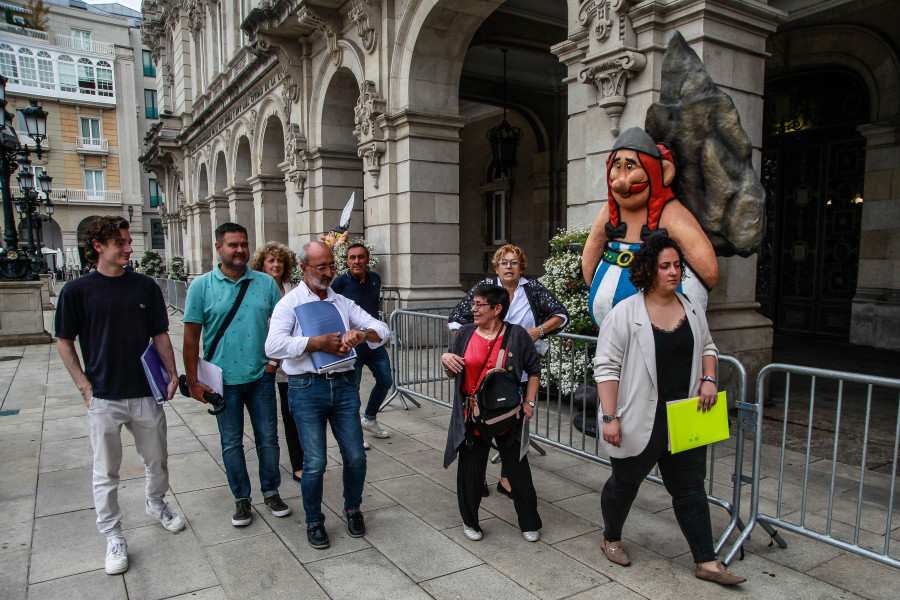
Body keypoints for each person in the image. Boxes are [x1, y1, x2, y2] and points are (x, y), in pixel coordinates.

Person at [592, 235, 745, 585]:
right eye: (665, 266)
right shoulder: (625, 313)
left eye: (678, 265)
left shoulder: (691, 306)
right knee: (625, 483)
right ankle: (611, 538)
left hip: (686, 415)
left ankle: (706, 561)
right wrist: (610, 417)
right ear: (649, 269)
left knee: (690, 487)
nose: (674, 272)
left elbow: (708, 345)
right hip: (638, 416)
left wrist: (709, 378)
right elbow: (606, 368)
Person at [56, 216, 184, 576]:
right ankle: (113, 535)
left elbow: (160, 334)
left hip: (144, 391)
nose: (130, 248)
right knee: (105, 472)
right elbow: (64, 342)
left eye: (129, 242)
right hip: (104, 396)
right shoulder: (76, 291)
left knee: (157, 459)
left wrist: (172, 374)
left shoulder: (144, 287)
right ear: (99, 246)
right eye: (121, 243)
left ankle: (156, 503)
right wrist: (84, 385)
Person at [265, 241, 390, 550]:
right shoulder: (289, 304)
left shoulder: (342, 301)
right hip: (307, 388)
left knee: (356, 456)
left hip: (345, 386)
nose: (329, 272)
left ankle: (353, 509)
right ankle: (314, 521)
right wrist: (314, 343)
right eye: (321, 267)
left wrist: (362, 334)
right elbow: (273, 346)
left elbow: (381, 329)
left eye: (331, 266)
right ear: (304, 269)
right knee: (315, 462)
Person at [183, 223, 291, 528]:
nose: (240, 250)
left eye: (244, 244)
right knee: (231, 443)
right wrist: (193, 381)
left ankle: (271, 491)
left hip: (261, 377)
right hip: (221, 382)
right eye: (233, 245)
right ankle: (242, 499)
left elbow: (283, 326)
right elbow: (191, 337)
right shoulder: (201, 286)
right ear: (219, 248)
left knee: (268, 440)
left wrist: (273, 364)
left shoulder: (265, 283)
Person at [448, 244, 568, 497]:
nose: (509, 267)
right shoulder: (486, 288)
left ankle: (506, 477)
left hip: (518, 372)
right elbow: (457, 317)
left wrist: (540, 330)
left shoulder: (532, 289)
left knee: (513, 424)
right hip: (483, 372)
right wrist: (466, 345)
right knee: (478, 423)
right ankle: (477, 476)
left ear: (521, 267)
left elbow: (561, 315)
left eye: (514, 262)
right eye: (504, 262)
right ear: (496, 267)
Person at [441, 283, 543, 542]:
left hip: (508, 415)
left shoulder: (517, 335)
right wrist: (446, 361)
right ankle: (470, 521)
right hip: (473, 416)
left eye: (479, 304)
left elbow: (533, 369)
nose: (472, 309)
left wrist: (529, 403)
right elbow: (452, 370)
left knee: (518, 473)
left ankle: (529, 522)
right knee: (471, 473)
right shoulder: (464, 334)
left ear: (497, 309)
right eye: (473, 304)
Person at [251, 241, 303, 484]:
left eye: (280, 260)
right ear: (262, 264)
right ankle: (268, 469)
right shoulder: (254, 289)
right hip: (260, 359)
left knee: (290, 412)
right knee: (265, 417)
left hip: (285, 361)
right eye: (271, 260)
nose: (276, 265)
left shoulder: (291, 289)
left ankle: (299, 463)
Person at [331, 243, 393, 441]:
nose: (356, 261)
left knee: (385, 380)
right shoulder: (339, 283)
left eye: (360, 257)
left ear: (367, 259)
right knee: (352, 389)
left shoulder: (375, 278)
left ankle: (369, 419)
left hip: (373, 341)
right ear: (347, 261)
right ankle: (354, 432)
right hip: (353, 345)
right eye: (352, 257)